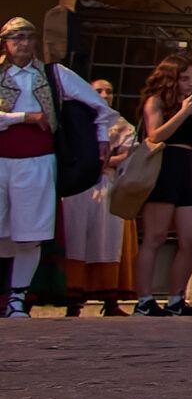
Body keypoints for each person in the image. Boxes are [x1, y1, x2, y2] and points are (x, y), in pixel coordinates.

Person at [0, 16, 109, 319]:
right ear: (5, 43)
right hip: (0, 161)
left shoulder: (53, 75)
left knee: (29, 233)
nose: (22, 43)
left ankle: (17, 299)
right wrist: (25, 118)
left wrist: (100, 138)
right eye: (15, 38)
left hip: (37, 163)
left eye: (27, 37)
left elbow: (99, 107)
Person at [136, 54, 192, 317]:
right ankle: (144, 300)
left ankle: (176, 298)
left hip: (183, 171)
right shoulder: (156, 102)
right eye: (184, 78)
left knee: (191, 239)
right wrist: (183, 112)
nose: (190, 84)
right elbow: (155, 135)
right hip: (162, 170)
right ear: (171, 79)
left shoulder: (190, 105)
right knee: (154, 238)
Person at [60, 77, 133, 317]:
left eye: (109, 91)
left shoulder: (118, 123)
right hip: (78, 186)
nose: (104, 94)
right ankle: (72, 299)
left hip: (105, 185)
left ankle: (109, 299)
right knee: (74, 238)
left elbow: (129, 152)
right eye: (98, 90)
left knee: (105, 240)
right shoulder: (75, 119)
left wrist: (108, 161)